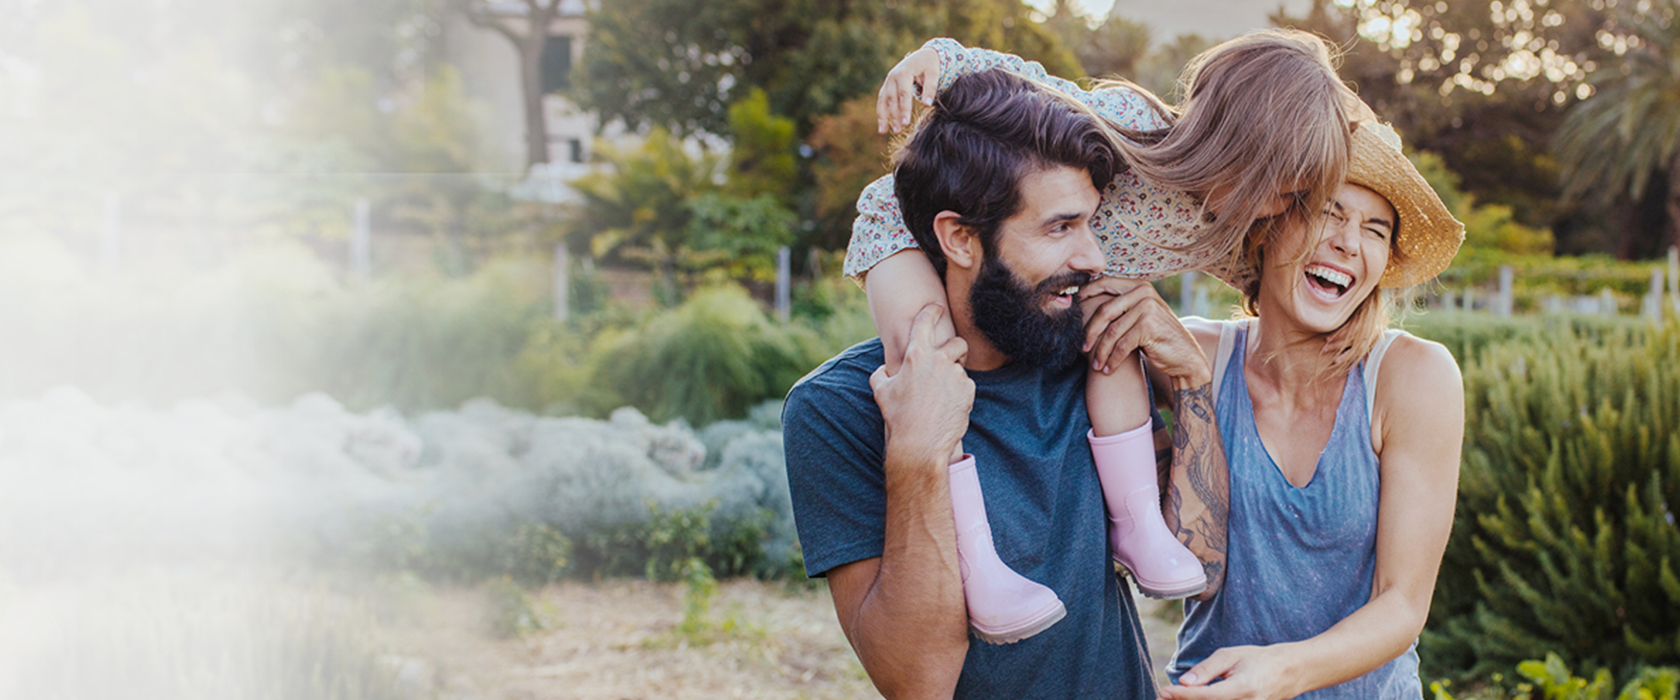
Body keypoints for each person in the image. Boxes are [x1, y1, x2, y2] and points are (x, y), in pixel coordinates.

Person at [851, 30, 1358, 635]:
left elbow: (1270, 278)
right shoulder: (1131, 125)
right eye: (1276, 187)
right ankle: (976, 559)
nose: (1277, 208)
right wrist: (939, 60)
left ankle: (1137, 521)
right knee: (925, 355)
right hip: (906, 225)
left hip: (1062, 275)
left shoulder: (1225, 221)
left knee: (1116, 338)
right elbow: (1030, 84)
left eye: (1295, 195)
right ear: (1232, 146)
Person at [782, 69, 1216, 699]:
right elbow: (917, 682)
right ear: (959, 237)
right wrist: (917, 453)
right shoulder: (837, 409)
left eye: (1090, 224)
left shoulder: (1086, 353)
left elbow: (1213, 557)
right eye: (1058, 227)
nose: (1093, 258)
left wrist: (1192, 382)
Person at [1079, 120, 1466, 699]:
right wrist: (951, 64)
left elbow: (1402, 602)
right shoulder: (1192, 354)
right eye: (1328, 212)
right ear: (1267, 224)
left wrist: (1281, 671)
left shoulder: (1412, 378)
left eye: (1375, 229)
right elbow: (1084, 235)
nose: (1348, 242)